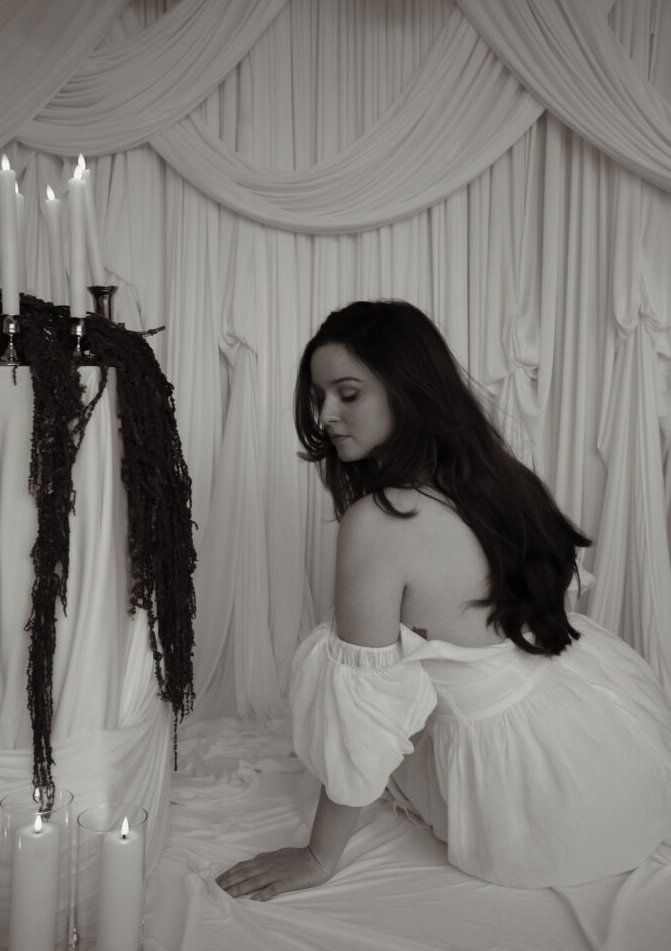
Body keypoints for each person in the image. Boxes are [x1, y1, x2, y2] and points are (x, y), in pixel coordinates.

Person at [216, 299, 671, 901]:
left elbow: (362, 718)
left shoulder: (380, 521)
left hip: (541, 795)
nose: (325, 416)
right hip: (603, 739)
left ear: (408, 389)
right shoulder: (498, 479)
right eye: (319, 397)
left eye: (348, 394)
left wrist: (319, 856)